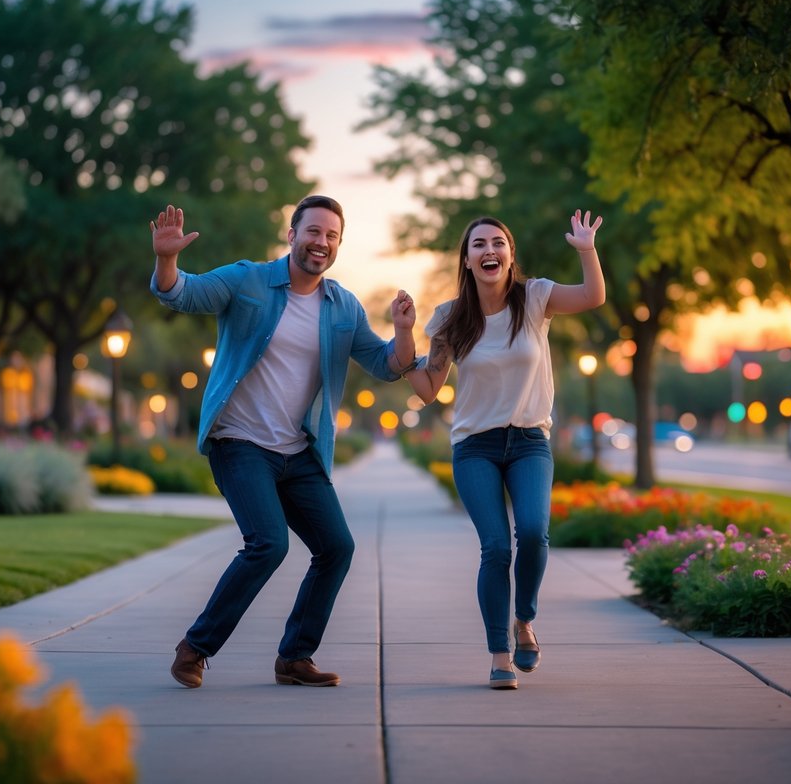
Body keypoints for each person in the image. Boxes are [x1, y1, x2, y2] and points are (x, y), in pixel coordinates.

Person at [149, 195, 417, 689]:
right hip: (240, 442)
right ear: (292, 235)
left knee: (336, 547)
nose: (322, 242)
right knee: (267, 543)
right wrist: (168, 260)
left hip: (298, 452)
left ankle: (295, 657)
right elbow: (181, 294)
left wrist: (403, 332)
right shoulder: (248, 279)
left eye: (332, 236)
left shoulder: (342, 306)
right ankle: (195, 648)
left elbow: (387, 366)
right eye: (313, 231)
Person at [405, 210, 605, 690]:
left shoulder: (535, 298)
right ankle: (499, 653)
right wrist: (402, 332)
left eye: (498, 242)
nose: (489, 250)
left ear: (510, 254)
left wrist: (586, 250)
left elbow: (593, 296)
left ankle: (524, 621)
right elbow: (428, 388)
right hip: (475, 447)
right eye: (479, 244)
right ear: (467, 259)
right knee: (495, 548)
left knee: (533, 533)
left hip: (529, 441)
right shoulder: (451, 318)